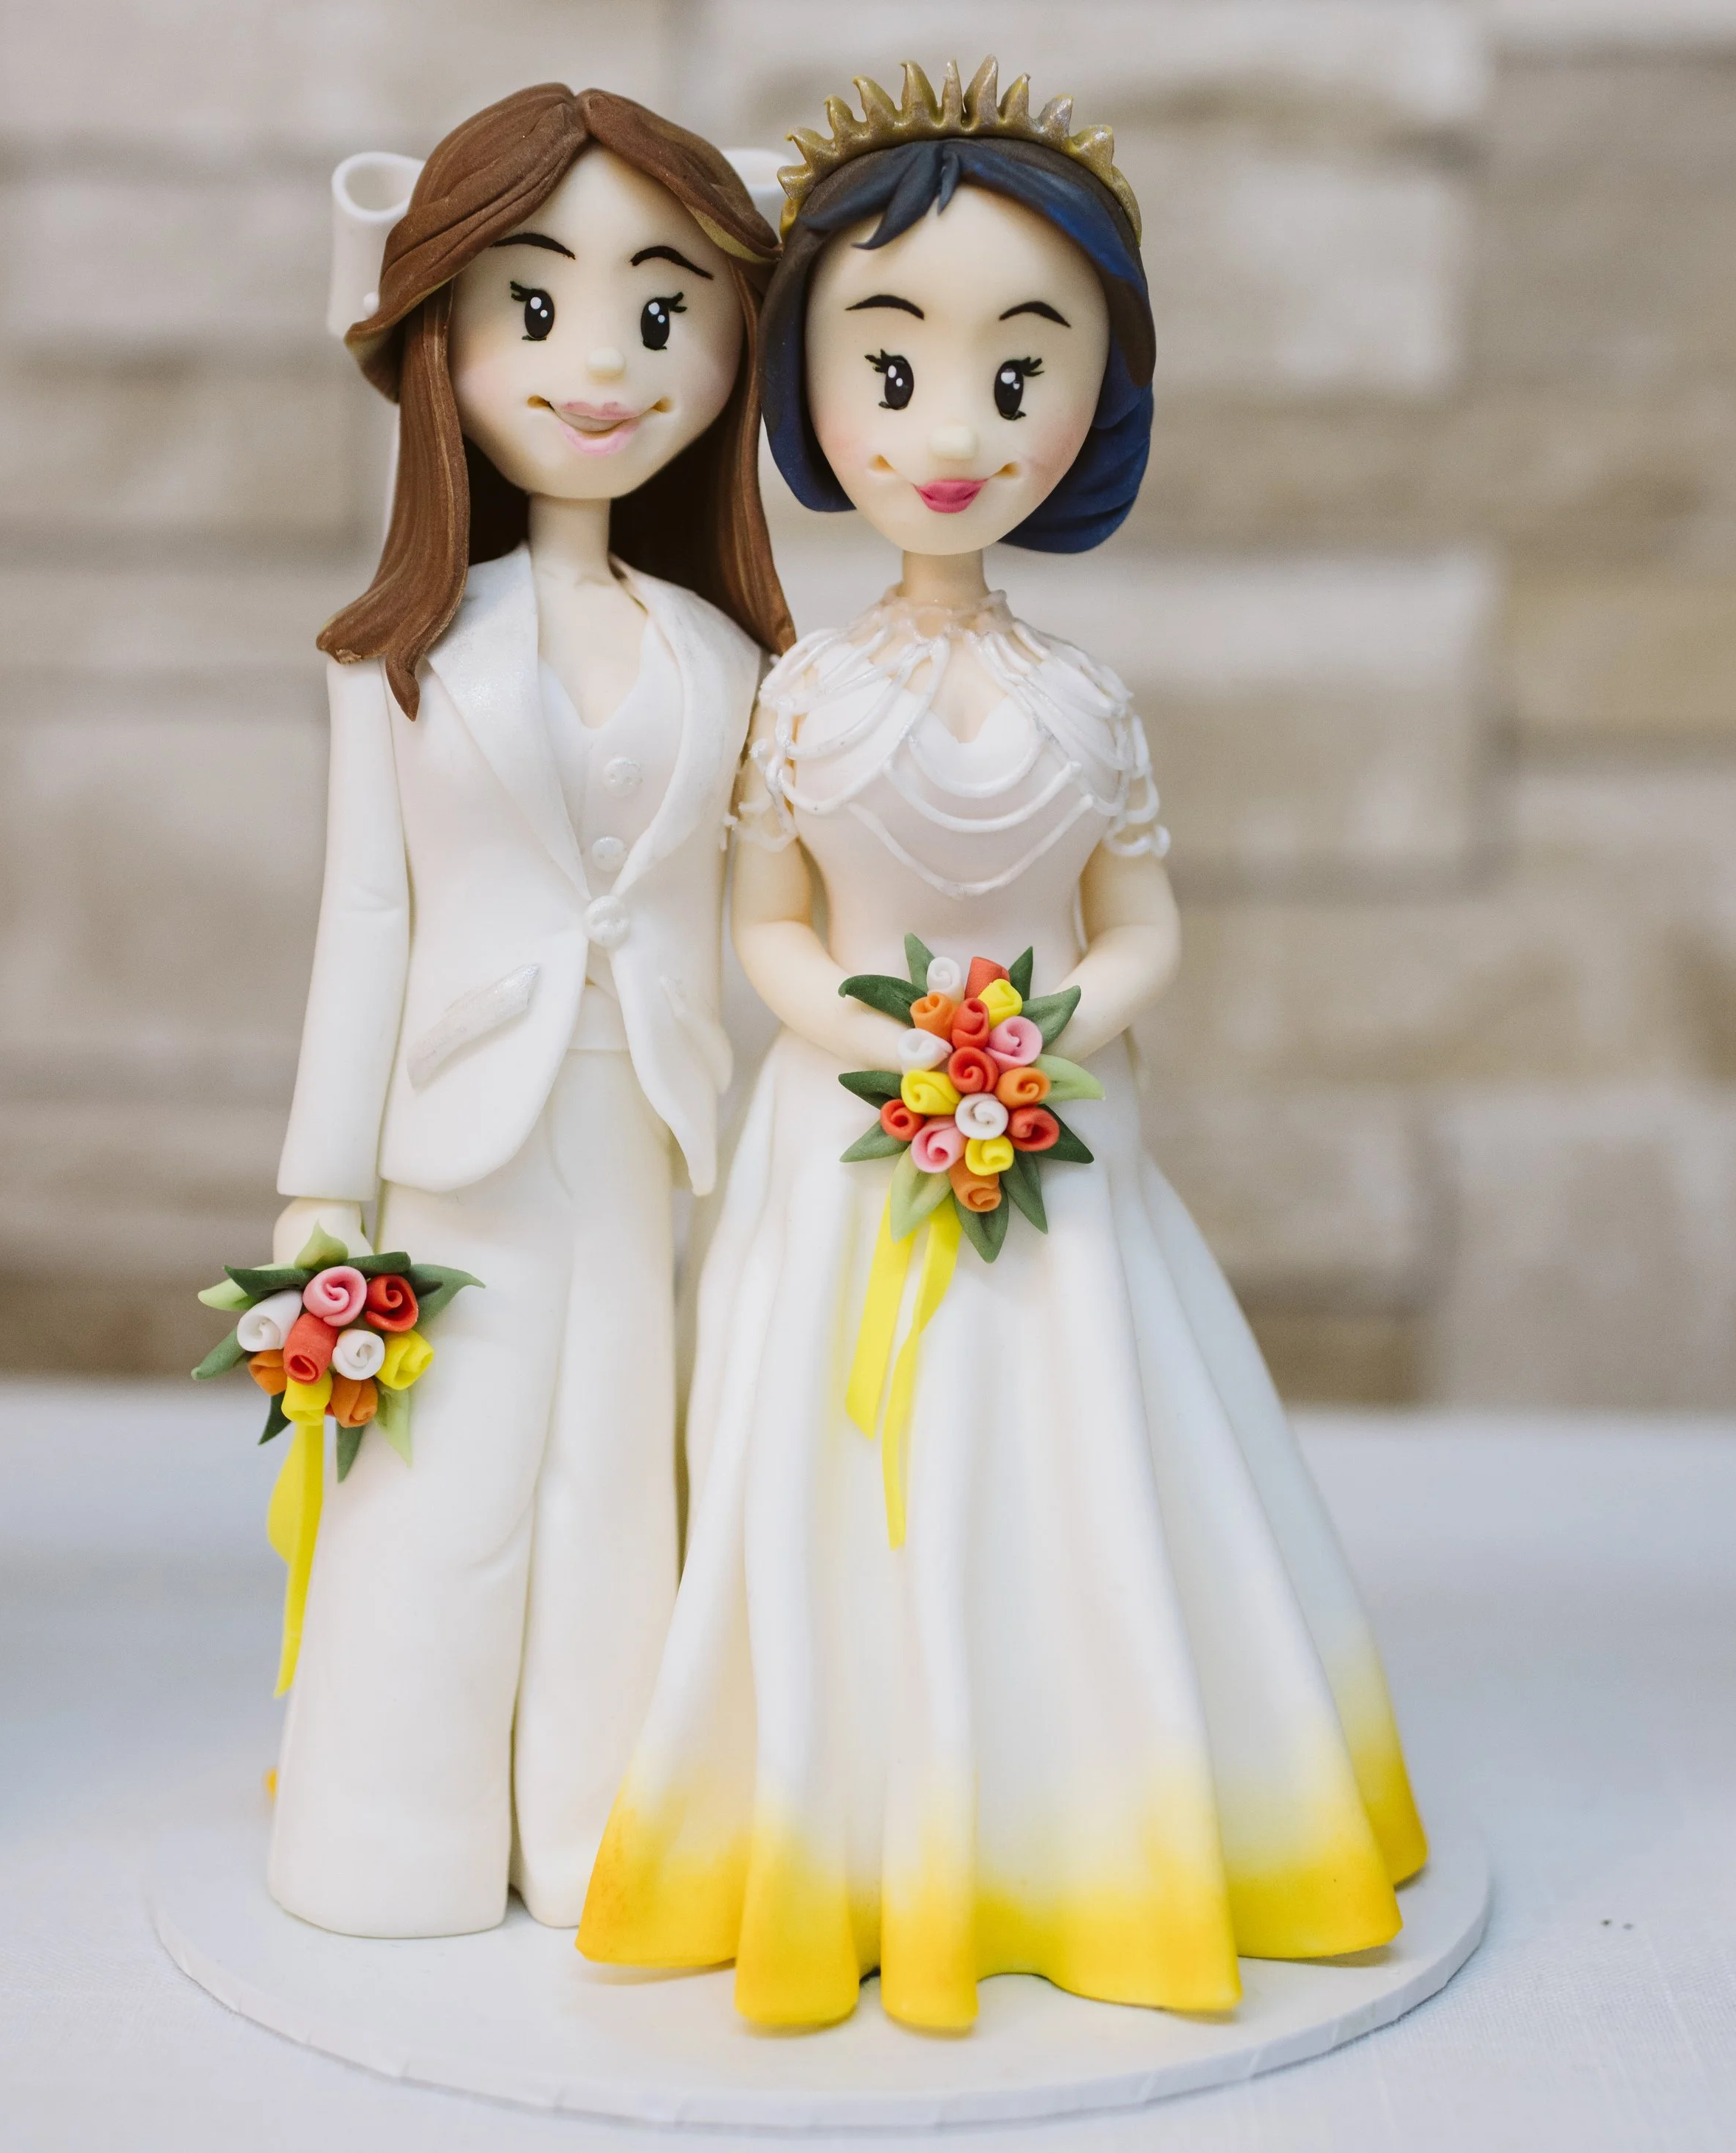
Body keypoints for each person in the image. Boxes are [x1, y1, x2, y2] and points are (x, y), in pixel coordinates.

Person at [579, 59, 1427, 2033]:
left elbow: (1143, 928)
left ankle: (1108, 1808)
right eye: (891, 371)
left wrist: (1043, 1036)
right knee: (834, 1484)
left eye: (1015, 372)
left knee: (1084, 1465)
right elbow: (767, 926)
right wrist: (888, 1057)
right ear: (810, 392)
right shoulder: (800, 696)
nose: (951, 430)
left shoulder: (1087, 701)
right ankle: (841, 1824)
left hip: (1059, 1147)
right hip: (855, 1146)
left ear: (1092, 401)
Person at [266, 84, 791, 1940]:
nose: (600, 367)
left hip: (645, 1118)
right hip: (457, 1133)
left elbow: (763, 913)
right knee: (442, 1482)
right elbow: (364, 913)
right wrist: (314, 1191)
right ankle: (380, 1836)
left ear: (732, 352)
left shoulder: (730, 658)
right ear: (440, 344)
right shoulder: (398, 655)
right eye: (533, 305)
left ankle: (597, 1834)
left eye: (662, 313)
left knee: (609, 1494)